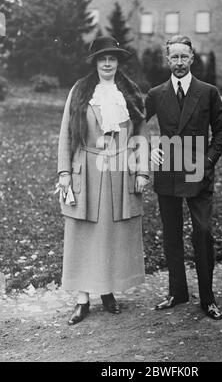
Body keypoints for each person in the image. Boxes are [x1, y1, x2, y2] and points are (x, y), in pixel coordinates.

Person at [57, 36, 149, 325]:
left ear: (118, 61)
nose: (107, 63)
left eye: (112, 58)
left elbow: (140, 136)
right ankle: (83, 298)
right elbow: (66, 135)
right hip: (86, 167)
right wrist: (64, 173)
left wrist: (142, 171)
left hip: (120, 170)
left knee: (111, 233)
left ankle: (107, 290)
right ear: (95, 62)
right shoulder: (81, 91)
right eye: (102, 59)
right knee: (83, 233)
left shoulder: (130, 92)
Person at [145, 35, 222, 320]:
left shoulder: (208, 92)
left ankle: (208, 298)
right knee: (171, 234)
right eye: (174, 57)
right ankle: (177, 292)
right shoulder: (156, 94)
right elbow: (134, 125)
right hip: (168, 170)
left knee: (202, 233)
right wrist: (148, 150)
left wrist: (207, 162)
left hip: (198, 171)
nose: (179, 62)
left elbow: (220, 131)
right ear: (167, 60)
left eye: (184, 56)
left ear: (192, 59)